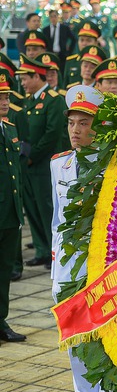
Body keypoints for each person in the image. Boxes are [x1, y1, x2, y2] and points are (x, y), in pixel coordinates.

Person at [50, 84, 117, 392]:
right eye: (71, 123)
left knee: (109, 352)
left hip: (104, 275)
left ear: (98, 126)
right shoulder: (59, 166)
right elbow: (56, 223)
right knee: (78, 354)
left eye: (84, 123)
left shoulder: (114, 166)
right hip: (68, 277)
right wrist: (56, 278)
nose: (76, 131)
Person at [18, 54, 67, 270]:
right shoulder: (28, 102)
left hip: (44, 166)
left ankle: (52, 251)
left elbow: (52, 135)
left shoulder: (53, 100)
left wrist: (31, 157)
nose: (22, 83)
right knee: (32, 209)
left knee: (47, 210)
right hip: (28, 166)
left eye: (25, 78)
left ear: (36, 76)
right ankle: (41, 250)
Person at [0, 72, 27, 345]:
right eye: (0, 97)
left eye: (6, 96)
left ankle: (2, 320)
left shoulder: (9, 128)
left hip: (9, 214)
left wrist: (19, 211)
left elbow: (14, 175)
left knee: (4, 270)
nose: (5, 101)